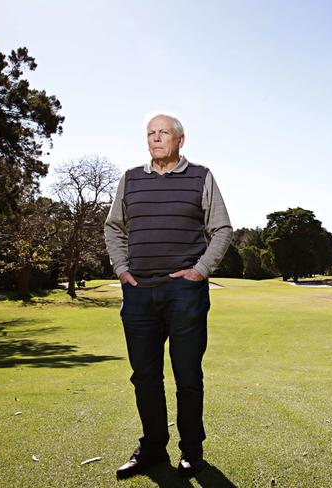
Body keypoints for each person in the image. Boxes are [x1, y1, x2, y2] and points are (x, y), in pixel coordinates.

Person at [104, 114, 232, 479]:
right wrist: (122, 269)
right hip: (139, 292)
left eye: (163, 133)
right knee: (144, 376)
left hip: (184, 293)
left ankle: (192, 452)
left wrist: (200, 271)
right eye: (150, 134)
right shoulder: (130, 179)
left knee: (187, 375)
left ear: (180, 140)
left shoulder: (201, 176)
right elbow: (114, 227)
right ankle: (153, 449)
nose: (156, 139)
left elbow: (222, 228)